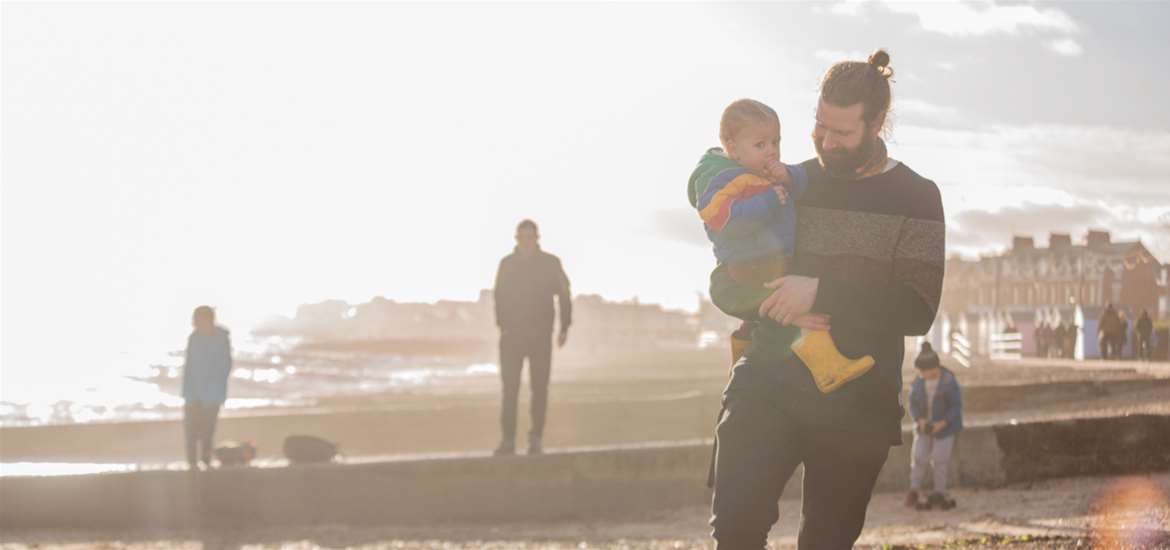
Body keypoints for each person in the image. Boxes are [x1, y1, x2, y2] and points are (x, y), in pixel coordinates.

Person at [707, 50, 945, 549]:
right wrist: (759, 298)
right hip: (766, 382)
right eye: (819, 126)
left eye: (842, 132)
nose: (825, 142)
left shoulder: (917, 196)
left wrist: (821, 291)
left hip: (857, 404)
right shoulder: (783, 185)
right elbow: (727, 276)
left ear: (877, 123)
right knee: (734, 531)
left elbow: (918, 308)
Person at [688, 98, 873, 388]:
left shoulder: (759, 171)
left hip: (767, 256)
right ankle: (828, 368)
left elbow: (801, 179)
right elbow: (721, 218)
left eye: (776, 142)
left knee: (772, 311)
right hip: (751, 260)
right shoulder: (724, 178)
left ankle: (742, 352)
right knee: (795, 309)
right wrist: (769, 201)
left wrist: (787, 176)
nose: (772, 151)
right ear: (733, 148)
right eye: (760, 145)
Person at [492, 219, 572, 456]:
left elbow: (565, 294)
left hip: (540, 337)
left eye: (530, 237)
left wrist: (565, 326)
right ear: (516, 239)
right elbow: (499, 296)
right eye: (521, 237)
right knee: (510, 390)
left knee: (539, 389)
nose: (526, 242)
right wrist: (502, 325)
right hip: (511, 337)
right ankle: (508, 440)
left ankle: (535, 438)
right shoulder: (506, 264)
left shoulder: (550, 263)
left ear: (537, 238)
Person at [905, 342, 963, 511]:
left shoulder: (949, 381)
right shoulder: (918, 382)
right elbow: (913, 404)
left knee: (940, 460)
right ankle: (914, 490)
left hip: (944, 429)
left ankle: (939, 491)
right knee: (918, 457)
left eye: (924, 371)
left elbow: (956, 407)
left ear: (933, 367)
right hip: (924, 427)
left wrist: (942, 423)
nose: (922, 375)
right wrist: (920, 420)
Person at [181, 305, 233, 471]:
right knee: (191, 432)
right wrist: (187, 393)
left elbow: (225, 366)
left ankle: (206, 462)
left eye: (199, 320)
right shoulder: (194, 338)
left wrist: (219, 392)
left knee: (208, 432)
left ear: (209, 320)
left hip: (212, 394)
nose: (196, 324)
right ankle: (191, 464)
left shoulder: (221, 338)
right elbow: (188, 367)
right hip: (192, 393)